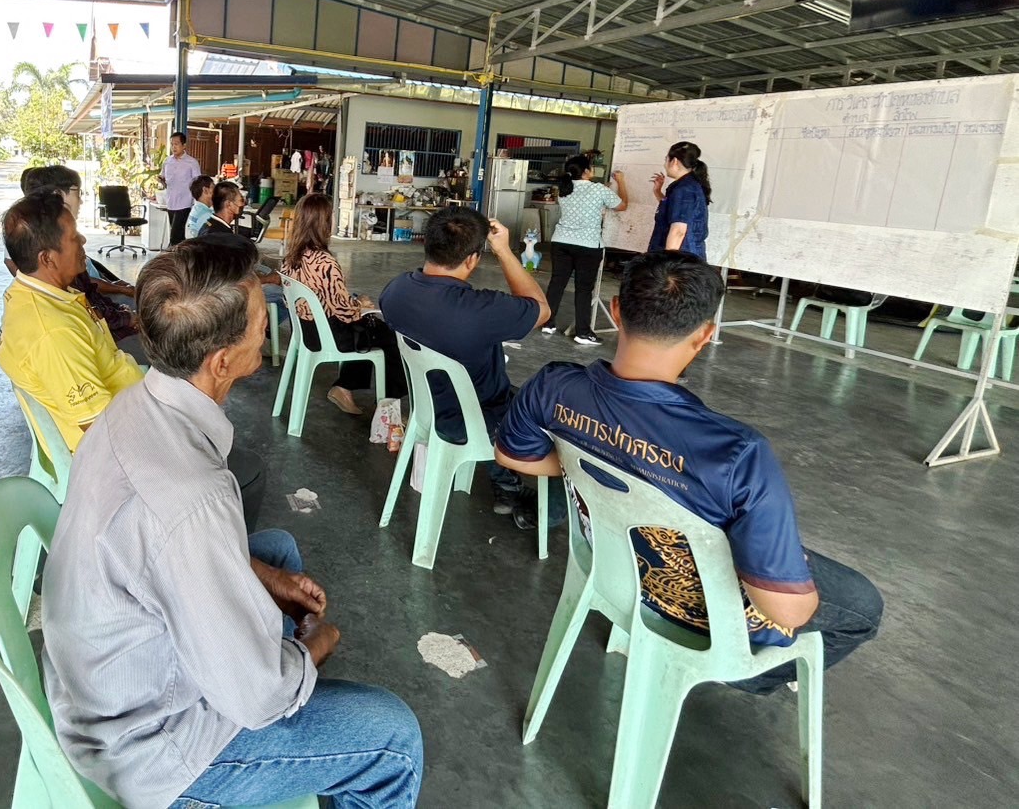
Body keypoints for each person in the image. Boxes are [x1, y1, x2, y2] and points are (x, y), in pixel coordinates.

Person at [41, 241, 423, 809]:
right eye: (262, 321)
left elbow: (160, 547)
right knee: (393, 737)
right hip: (148, 749)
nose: (269, 327)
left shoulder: (133, 406)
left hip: (100, 670)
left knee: (277, 550)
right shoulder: (193, 493)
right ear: (222, 360)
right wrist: (313, 650)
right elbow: (258, 696)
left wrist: (262, 575)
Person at [496, 252, 883, 691]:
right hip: (703, 614)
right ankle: (745, 676)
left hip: (613, 573)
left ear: (616, 310)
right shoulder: (736, 453)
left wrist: (587, 467)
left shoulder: (553, 386)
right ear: (704, 336)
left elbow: (513, 456)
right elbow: (787, 613)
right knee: (862, 606)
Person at [378, 205, 558, 527]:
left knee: (505, 396)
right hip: (475, 416)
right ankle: (530, 501)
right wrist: (504, 251)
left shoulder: (395, 291)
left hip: (427, 408)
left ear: (426, 244)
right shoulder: (480, 310)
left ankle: (506, 486)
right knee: (545, 410)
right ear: (473, 259)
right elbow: (541, 310)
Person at [0, 189, 145, 453]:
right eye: (74, 237)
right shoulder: (54, 332)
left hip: (126, 396)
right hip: (114, 449)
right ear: (48, 259)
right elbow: (102, 431)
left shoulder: (39, 293)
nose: (83, 239)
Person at [282, 192, 404, 416]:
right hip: (329, 335)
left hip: (307, 332)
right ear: (324, 222)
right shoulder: (326, 262)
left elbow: (326, 300)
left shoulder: (291, 259)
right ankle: (387, 408)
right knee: (389, 335)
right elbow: (345, 312)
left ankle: (346, 386)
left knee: (371, 329)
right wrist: (362, 306)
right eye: (332, 216)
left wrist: (356, 305)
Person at [13, 165, 146, 363]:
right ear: (59, 195)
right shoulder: (54, 254)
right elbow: (90, 311)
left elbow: (89, 296)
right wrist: (127, 318)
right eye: (78, 192)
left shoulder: (57, 263)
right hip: (106, 338)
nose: (82, 241)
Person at [541, 155, 628, 347]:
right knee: (583, 289)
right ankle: (583, 332)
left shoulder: (564, 189)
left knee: (557, 283)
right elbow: (622, 205)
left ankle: (547, 322)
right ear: (586, 171)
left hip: (561, 241)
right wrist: (621, 182)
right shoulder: (598, 189)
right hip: (587, 245)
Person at [200, 181, 289, 323]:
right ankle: (259, 328)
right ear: (229, 205)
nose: (243, 204)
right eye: (241, 200)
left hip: (211, 292)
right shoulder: (226, 239)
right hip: (225, 300)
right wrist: (269, 279)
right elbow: (236, 281)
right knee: (285, 296)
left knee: (264, 272)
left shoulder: (208, 227)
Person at [650, 140, 711, 259]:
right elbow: (673, 209)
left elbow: (678, 231)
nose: (664, 164)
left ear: (674, 161)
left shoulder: (684, 189)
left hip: (682, 259)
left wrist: (668, 263)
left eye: (666, 159)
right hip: (684, 256)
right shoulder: (685, 185)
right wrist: (657, 192)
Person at [160, 131, 203, 246]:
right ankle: (183, 255)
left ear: (184, 146)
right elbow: (165, 180)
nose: (174, 147)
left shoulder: (191, 162)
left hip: (184, 202)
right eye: (172, 144)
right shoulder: (167, 161)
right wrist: (161, 181)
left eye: (177, 144)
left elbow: (197, 182)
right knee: (178, 234)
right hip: (170, 202)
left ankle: (171, 257)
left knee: (175, 235)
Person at [185, 174, 216, 238]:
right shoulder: (207, 216)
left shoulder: (197, 208)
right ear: (205, 190)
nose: (216, 191)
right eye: (213, 187)